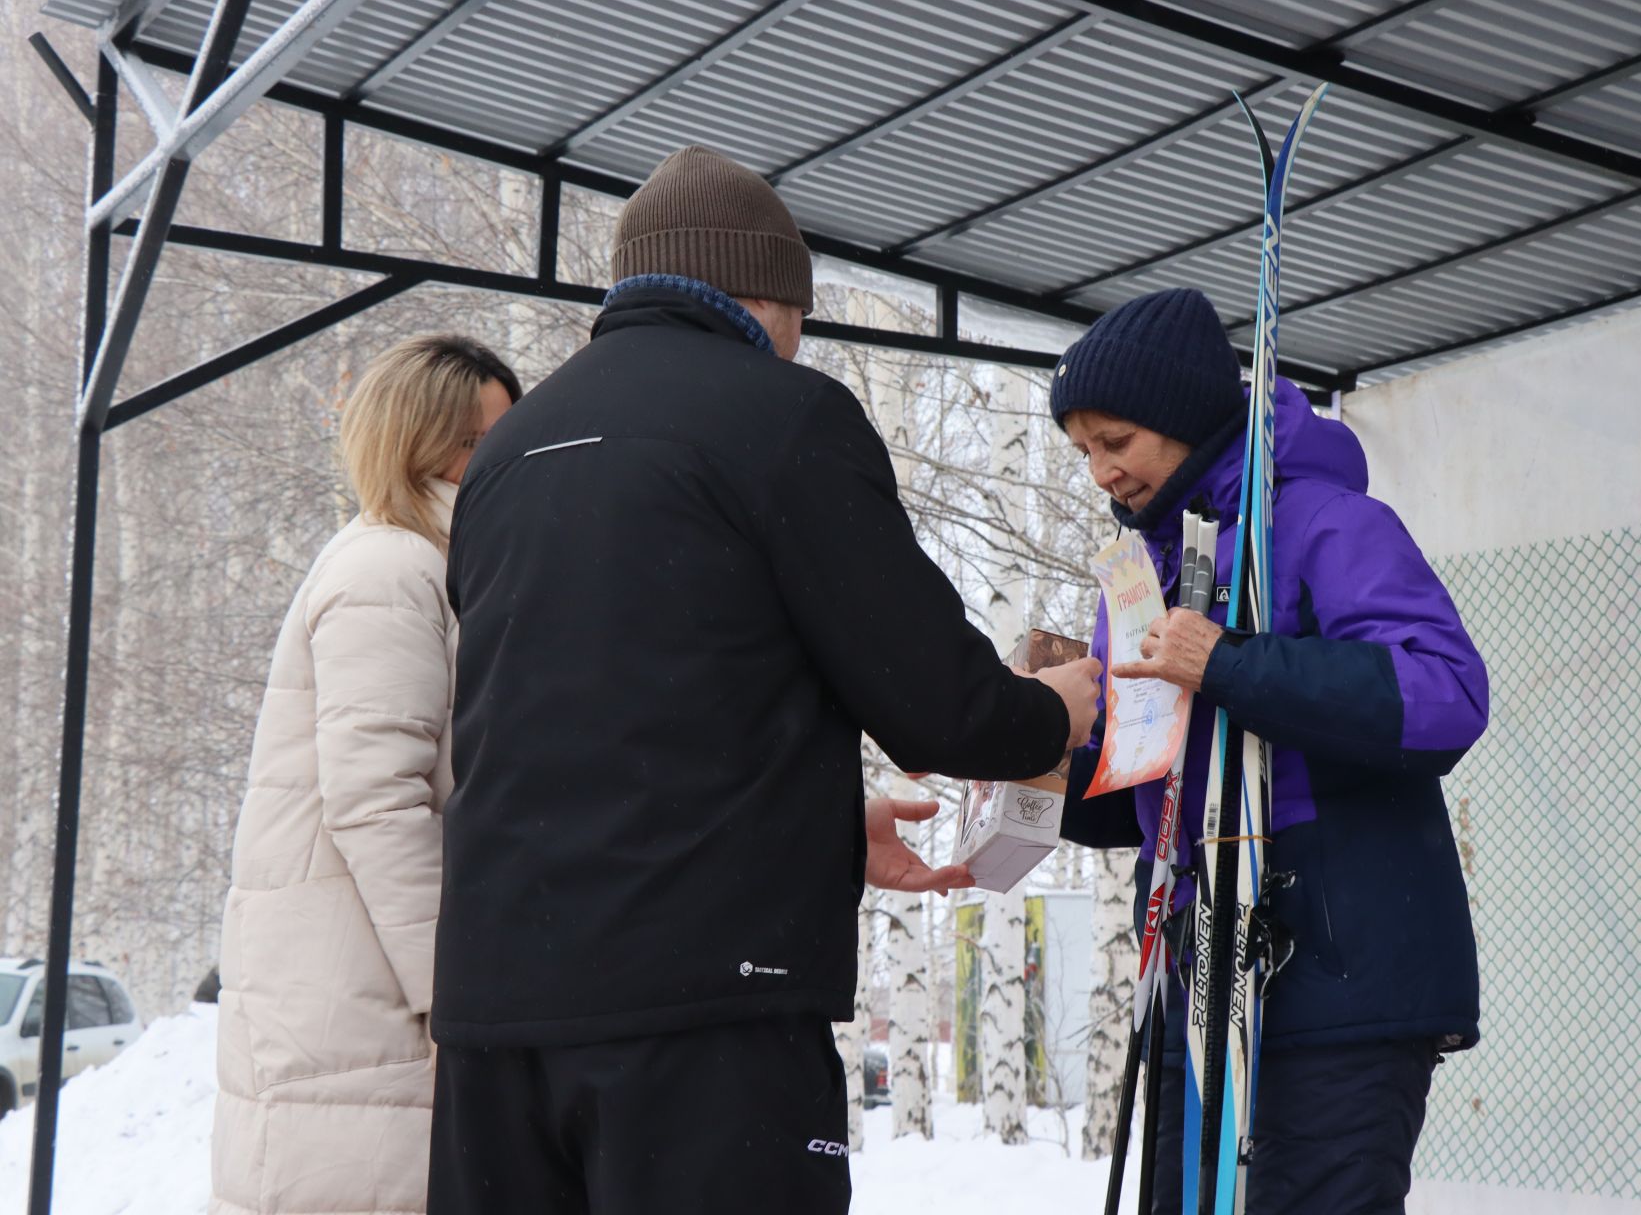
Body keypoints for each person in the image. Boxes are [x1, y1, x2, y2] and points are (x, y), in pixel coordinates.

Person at [428, 145, 1102, 1214]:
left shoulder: (511, 454)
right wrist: (1050, 715)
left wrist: (822, 825)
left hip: (494, 1014)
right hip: (701, 1022)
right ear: (767, 297)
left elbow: (599, 721)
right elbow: (937, 701)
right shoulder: (783, 415)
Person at [1052, 288, 1489, 1214]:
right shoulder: (1136, 577)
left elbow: (1446, 696)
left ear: (1180, 416)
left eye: (1116, 442)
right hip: (1193, 970)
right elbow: (1147, 792)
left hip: (1337, 982)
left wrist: (1234, 664)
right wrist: (1045, 764)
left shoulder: (1328, 523)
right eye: (1082, 450)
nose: (1100, 474)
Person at [210, 335, 520, 1215]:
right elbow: (376, 799)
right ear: (424, 444)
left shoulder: (426, 561)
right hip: (364, 1016)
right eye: (480, 441)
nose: (501, 459)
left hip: (355, 1000)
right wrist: (455, 995)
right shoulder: (390, 567)